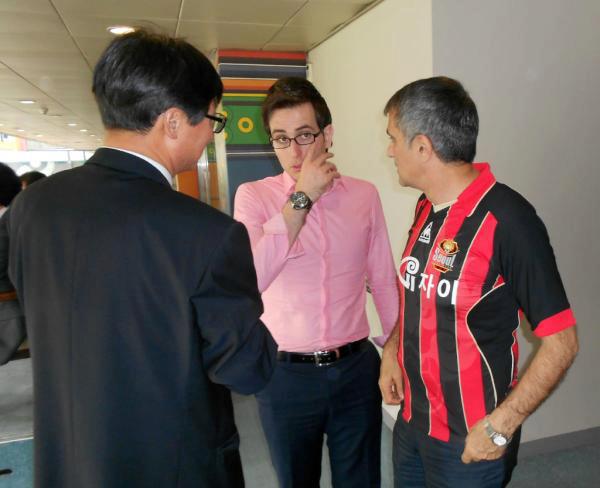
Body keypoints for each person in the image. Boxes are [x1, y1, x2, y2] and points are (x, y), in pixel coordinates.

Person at [0, 29, 276, 488]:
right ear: (174, 122)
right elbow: (247, 369)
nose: (211, 133)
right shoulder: (207, 234)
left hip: (67, 462)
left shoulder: (31, 208)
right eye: (213, 119)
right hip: (172, 467)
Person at [379, 76, 578, 487]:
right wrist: (392, 352)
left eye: (393, 138)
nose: (389, 150)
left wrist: (503, 424)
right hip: (412, 425)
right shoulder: (425, 207)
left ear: (423, 147)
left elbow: (562, 342)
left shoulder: (509, 220)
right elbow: (419, 294)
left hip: (470, 440)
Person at [234, 77, 399, 488]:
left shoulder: (364, 195)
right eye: (281, 138)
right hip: (285, 375)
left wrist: (396, 352)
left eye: (305, 135)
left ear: (328, 134)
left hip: (356, 369)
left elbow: (383, 278)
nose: (294, 151)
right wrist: (301, 199)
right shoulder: (253, 197)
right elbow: (253, 278)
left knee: (361, 481)